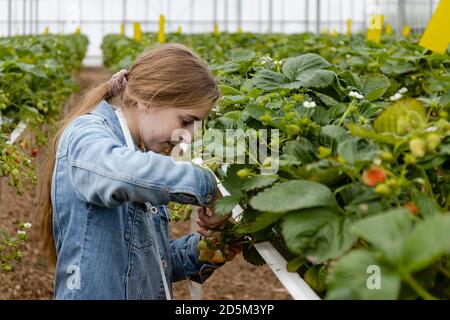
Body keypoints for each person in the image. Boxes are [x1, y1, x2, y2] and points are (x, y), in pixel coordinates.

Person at [37, 43, 238, 300]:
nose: (188, 136)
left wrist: (207, 248)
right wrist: (208, 188)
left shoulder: (140, 154)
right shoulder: (87, 136)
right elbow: (121, 171)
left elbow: (149, 262)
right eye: (185, 121)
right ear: (147, 101)